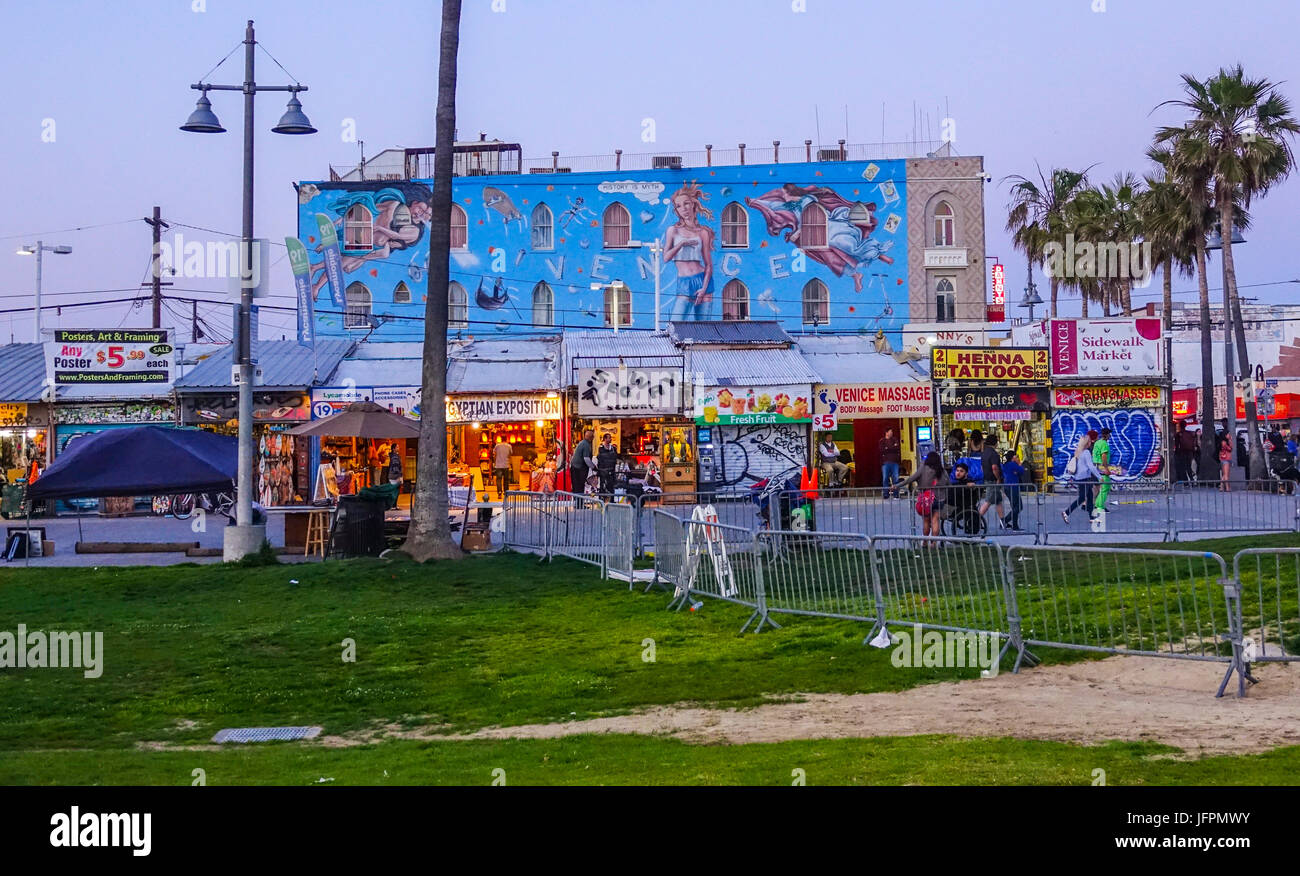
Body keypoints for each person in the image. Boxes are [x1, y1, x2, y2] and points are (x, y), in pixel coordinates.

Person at [897, 451, 949, 537]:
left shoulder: (923, 468)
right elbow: (948, 484)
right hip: (940, 499)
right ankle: (934, 543)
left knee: (926, 520)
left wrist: (897, 486)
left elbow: (911, 479)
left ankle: (925, 541)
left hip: (926, 499)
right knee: (935, 520)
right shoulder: (942, 471)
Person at [1062, 432, 1102, 523]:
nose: (1090, 443)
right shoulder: (1086, 452)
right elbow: (1091, 466)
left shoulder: (1078, 451)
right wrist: (1099, 476)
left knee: (1090, 496)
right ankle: (1066, 512)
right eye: (1089, 442)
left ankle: (1092, 517)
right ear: (1087, 443)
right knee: (1082, 498)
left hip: (1080, 477)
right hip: (1084, 478)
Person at [976, 431, 1006, 529]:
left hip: (987, 478)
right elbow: (994, 467)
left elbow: (981, 467)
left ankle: (1003, 521)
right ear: (995, 443)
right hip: (993, 480)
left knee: (998, 501)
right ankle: (976, 519)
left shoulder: (984, 453)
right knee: (988, 501)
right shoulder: (994, 454)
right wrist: (998, 478)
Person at [1002, 449, 1026, 530]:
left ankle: (1014, 525)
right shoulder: (1013, 464)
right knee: (1019, 507)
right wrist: (1019, 463)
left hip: (1007, 487)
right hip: (1013, 487)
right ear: (1013, 457)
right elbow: (1021, 471)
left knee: (1015, 506)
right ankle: (1005, 521)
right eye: (1016, 456)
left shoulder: (1006, 465)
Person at [1092, 427, 1113, 512]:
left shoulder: (1097, 442)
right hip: (1102, 467)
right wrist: (1106, 468)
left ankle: (1098, 504)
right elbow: (1103, 456)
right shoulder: (1104, 444)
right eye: (1109, 434)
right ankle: (1099, 506)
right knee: (1105, 487)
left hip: (1096, 467)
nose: (1110, 436)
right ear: (1107, 435)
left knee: (1103, 486)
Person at [879, 427, 901, 498]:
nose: (892, 433)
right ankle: (886, 494)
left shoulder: (895, 439)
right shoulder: (882, 441)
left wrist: (888, 448)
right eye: (890, 431)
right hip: (885, 463)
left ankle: (896, 494)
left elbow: (897, 448)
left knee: (896, 479)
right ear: (886, 432)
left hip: (895, 463)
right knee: (885, 479)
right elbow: (882, 450)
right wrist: (892, 447)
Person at [570, 429, 594, 495]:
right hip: (579, 469)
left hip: (575, 468)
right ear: (590, 437)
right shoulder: (586, 445)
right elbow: (586, 459)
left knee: (576, 488)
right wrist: (594, 467)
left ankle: (577, 503)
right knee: (579, 487)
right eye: (593, 436)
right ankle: (579, 504)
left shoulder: (582, 443)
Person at [1174, 420, 1198, 484]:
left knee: (1183, 467)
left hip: (1182, 452)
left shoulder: (1178, 434)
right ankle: (1192, 480)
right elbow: (1193, 443)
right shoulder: (1190, 433)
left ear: (1180, 426)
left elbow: (1177, 444)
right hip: (1190, 452)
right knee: (1189, 466)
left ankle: (1185, 481)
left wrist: (1177, 452)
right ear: (1186, 425)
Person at [595, 432, 619, 497]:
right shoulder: (601, 448)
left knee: (611, 485)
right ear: (605, 439)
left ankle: (612, 500)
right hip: (603, 471)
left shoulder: (613, 448)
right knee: (602, 486)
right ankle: (601, 499)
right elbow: (601, 458)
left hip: (611, 470)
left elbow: (615, 457)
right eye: (609, 438)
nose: (611, 439)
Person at [492, 435, 513, 499]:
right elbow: (510, 454)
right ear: (506, 439)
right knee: (506, 480)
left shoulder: (497, 446)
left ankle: (499, 492)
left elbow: (494, 454)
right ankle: (506, 492)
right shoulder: (509, 446)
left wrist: (495, 462)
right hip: (506, 465)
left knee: (499, 479)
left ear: (501, 439)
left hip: (498, 465)